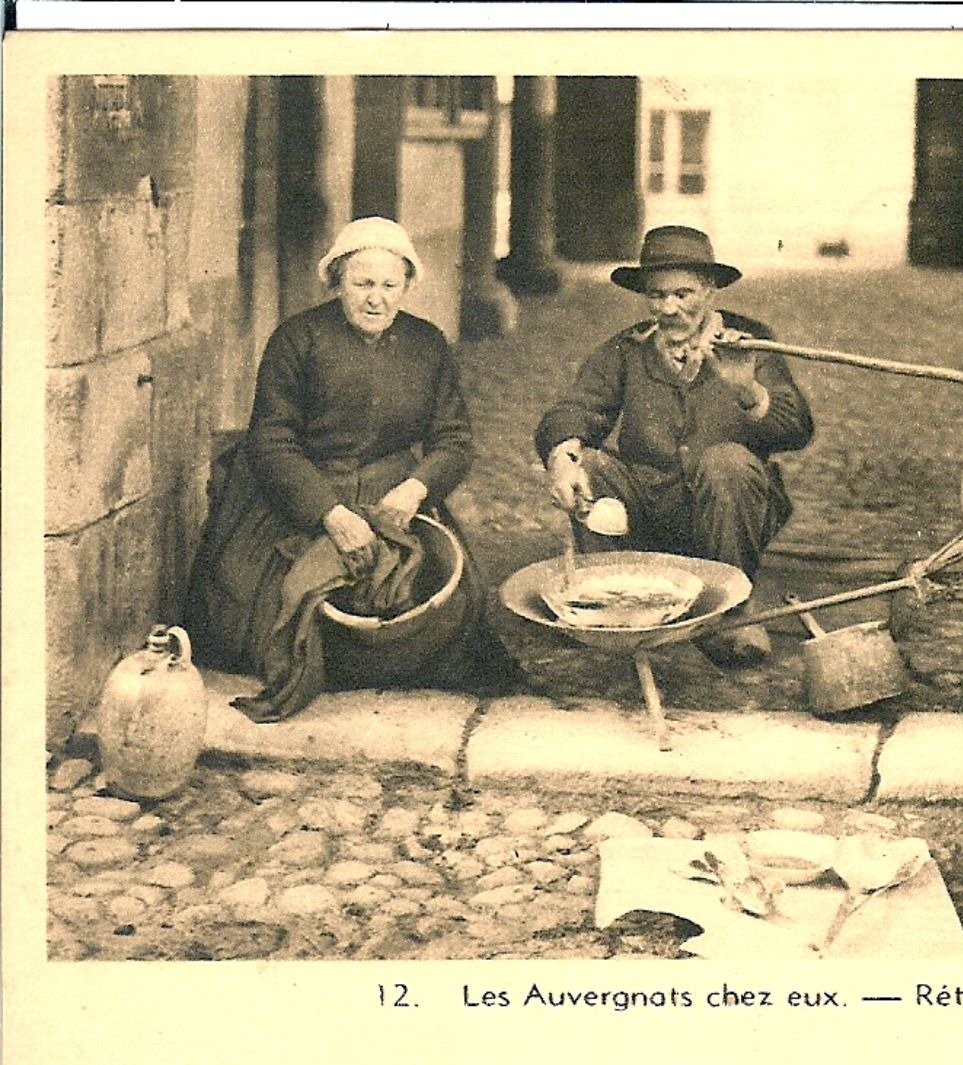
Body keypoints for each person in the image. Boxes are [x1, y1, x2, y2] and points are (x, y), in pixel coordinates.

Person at [185, 216, 483, 704]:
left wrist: (415, 489)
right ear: (337, 282)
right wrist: (331, 514)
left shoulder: (427, 344)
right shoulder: (297, 339)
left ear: (406, 287)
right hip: (303, 490)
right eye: (362, 283)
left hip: (392, 494)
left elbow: (454, 439)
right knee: (261, 613)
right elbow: (272, 442)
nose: (376, 298)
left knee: (448, 608)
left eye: (390, 285)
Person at [534, 226, 814, 665]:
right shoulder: (628, 349)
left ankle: (732, 613)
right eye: (657, 295)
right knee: (590, 464)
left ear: (711, 290)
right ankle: (612, 606)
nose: (668, 308)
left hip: (731, 509)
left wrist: (748, 391)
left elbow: (797, 428)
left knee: (727, 461)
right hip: (651, 507)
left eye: (683, 294)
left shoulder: (751, 344)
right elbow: (574, 409)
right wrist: (563, 458)